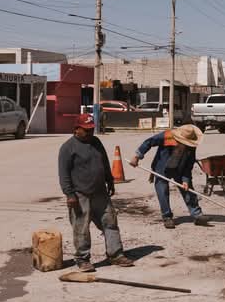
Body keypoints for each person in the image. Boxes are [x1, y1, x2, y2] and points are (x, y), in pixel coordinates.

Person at [58, 114, 134, 272]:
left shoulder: (96, 142)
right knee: (81, 227)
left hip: (100, 193)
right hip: (80, 195)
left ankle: (116, 254)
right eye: (86, 130)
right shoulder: (67, 148)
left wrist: (110, 180)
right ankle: (82, 259)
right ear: (76, 129)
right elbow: (64, 174)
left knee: (110, 223)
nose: (90, 133)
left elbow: (104, 161)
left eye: (91, 129)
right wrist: (70, 195)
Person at [129, 124, 208, 229]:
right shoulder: (166, 136)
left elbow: (189, 164)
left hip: (180, 169)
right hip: (162, 168)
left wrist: (185, 180)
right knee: (163, 192)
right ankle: (167, 217)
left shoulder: (191, 144)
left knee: (188, 190)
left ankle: (197, 215)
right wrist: (137, 156)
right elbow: (149, 142)